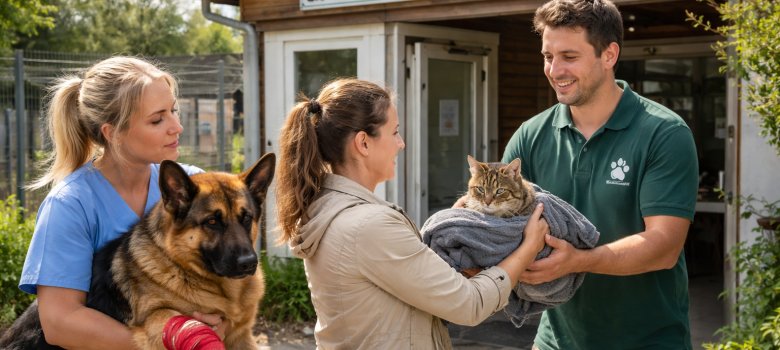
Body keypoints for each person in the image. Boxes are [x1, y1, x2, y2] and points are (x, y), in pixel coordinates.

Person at [275, 78, 550, 349]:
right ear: (363, 143)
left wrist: (452, 226)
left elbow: (400, 277)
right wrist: (528, 248)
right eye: (394, 132)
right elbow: (470, 304)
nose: (402, 143)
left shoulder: (329, 208)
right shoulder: (369, 226)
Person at [502, 0, 699, 349]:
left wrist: (579, 262)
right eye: (548, 56)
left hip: (648, 342)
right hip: (555, 341)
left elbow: (664, 246)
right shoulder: (530, 136)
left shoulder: (664, 133)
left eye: (569, 56)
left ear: (609, 55)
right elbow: (495, 221)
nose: (554, 70)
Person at [19, 56, 224, 349]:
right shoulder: (70, 204)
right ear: (112, 132)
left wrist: (219, 324)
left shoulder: (194, 186)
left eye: (173, 111)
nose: (177, 126)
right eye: (157, 119)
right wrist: (167, 341)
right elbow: (60, 322)